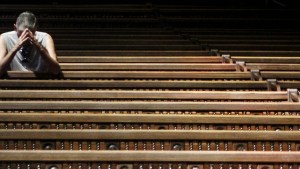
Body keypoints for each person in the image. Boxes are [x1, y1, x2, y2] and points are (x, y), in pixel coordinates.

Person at [0, 11, 60, 77]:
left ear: (36, 28)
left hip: (40, 81)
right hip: (15, 80)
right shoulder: (4, 38)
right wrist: (15, 48)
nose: (26, 36)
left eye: (31, 32)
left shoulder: (45, 37)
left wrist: (38, 46)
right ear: (15, 28)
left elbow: (56, 70)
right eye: (21, 33)